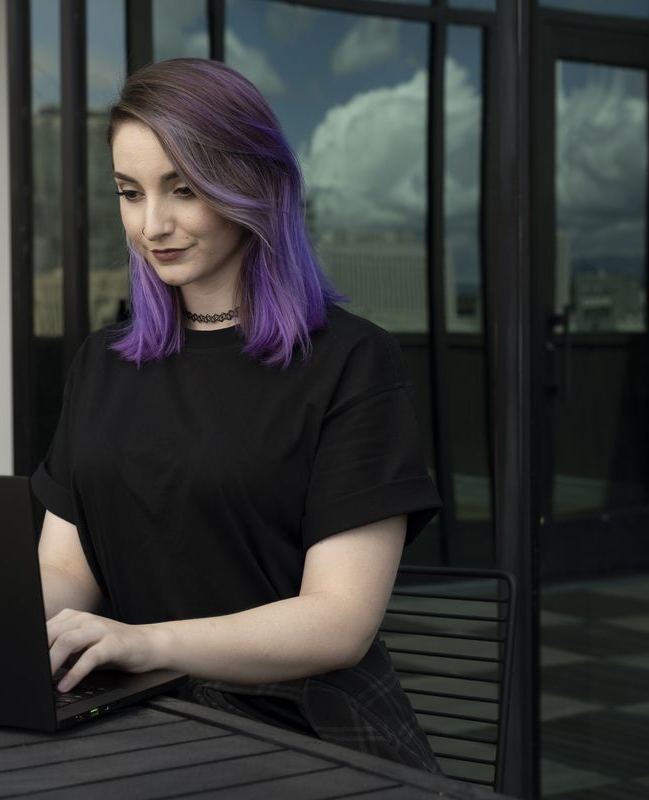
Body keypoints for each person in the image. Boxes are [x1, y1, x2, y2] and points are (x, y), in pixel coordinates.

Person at [31, 58, 443, 771]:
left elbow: (338, 622)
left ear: (251, 184)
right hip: (135, 716)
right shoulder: (103, 363)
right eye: (130, 193)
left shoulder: (352, 363)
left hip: (303, 732)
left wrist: (146, 642)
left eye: (183, 189)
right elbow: (65, 567)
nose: (152, 224)